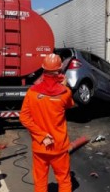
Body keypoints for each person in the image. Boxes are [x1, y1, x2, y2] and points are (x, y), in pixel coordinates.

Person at [20, 53, 75, 192]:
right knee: (64, 180)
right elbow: (70, 105)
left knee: (40, 181)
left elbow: (24, 117)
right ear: (59, 71)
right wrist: (64, 85)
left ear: (43, 69)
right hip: (59, 146)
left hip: (40, 147)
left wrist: (42, 135)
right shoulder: (65, 93)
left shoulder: (32, 92)